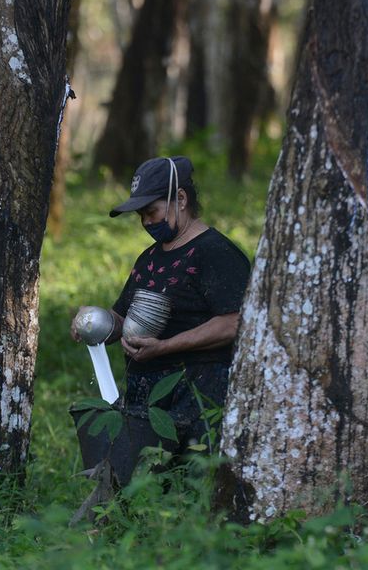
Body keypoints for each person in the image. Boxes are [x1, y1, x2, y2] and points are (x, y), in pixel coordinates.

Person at [70, 155, 251, 456]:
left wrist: (165, 347)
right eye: (141, 215)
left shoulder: (217, 253)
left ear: (180, 199)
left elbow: (234, 322)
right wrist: (94, 322)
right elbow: (123, 318)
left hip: (198, 396)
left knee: (191, 487)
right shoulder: (150, 258)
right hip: (147, 401)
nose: (146, 222)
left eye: (151, 211)